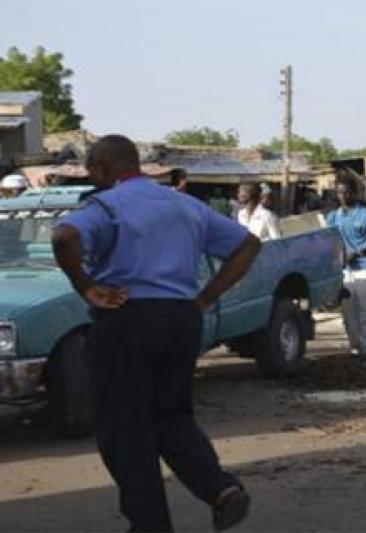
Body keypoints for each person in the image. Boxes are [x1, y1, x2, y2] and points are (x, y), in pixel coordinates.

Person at [51, 135, 259, 532]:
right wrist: (204, 298)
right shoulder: (185, 204)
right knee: (172, 416)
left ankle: (150, 525)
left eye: (92, 170)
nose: (91, 178)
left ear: (105, 168)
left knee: (125, 428)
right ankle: (221, 489)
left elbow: (64, 237)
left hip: (127, 318)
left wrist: (85, 286)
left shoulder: (107, 205)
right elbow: (248, 245)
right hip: (181, 319)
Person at [325, 176, 366, 362]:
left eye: (346, 192)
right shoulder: (333, 217)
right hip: (343, 269)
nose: (343, 196)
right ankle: (355, 346)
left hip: (364, 267)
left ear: (354, 193)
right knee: (348, 312)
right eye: (340, 193)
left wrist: (357, 254)